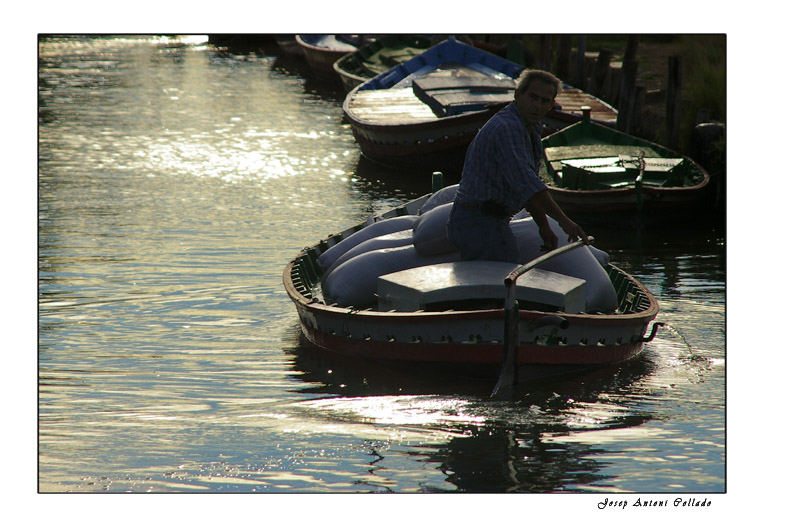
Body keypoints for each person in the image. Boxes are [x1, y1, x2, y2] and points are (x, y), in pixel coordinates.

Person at [446, 69, 588, 262]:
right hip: (478, 221)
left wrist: (543, 226)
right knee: (500, 282)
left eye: (544, 101)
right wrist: (564, 222)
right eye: (532, 97)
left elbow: (526, 187)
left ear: (551, 105)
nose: (537, 106)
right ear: (518, 94)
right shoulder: (508, 127)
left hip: (491, 220)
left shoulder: (530, 127)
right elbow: (527, 183)